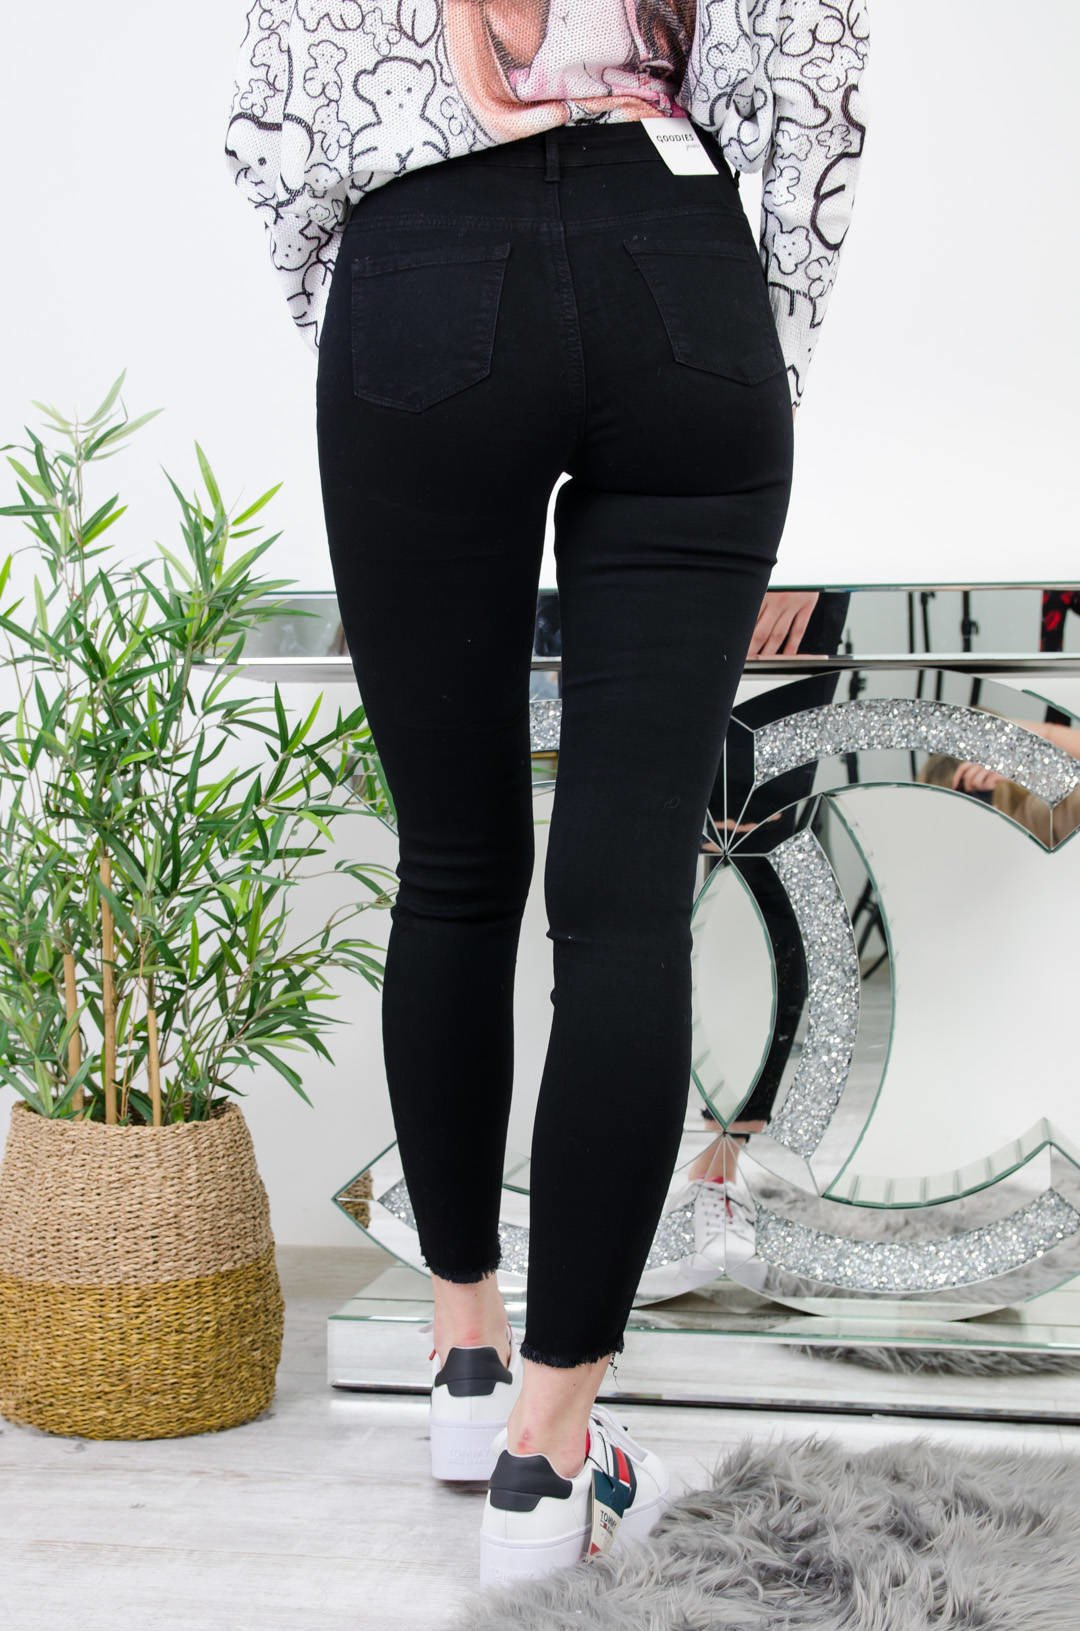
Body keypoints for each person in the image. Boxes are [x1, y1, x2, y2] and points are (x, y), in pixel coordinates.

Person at [225, 0, 870, 1581]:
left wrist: (376, 290)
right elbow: (810, 77)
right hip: (680, 257)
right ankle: (550, 1447)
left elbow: (280, 118)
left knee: (454, 865)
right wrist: (749, 304)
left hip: (425, 256)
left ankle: (465, 1350)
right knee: (627, 907)